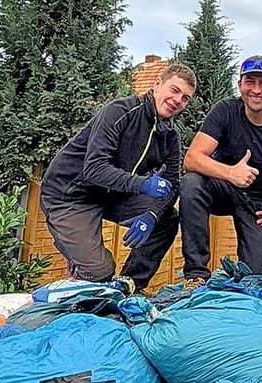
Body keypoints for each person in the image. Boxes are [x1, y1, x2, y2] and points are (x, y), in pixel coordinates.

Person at [40, 64, 197, 291]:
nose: (177, 100)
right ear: (156, 85)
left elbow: (172, 184)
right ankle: (75, 285)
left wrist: (151, 215)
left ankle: (129, 285)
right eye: (174, 90)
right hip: (70, 194)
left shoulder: (170, 136)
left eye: (185, 98)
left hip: (111, 196)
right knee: (98, 273)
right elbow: (94, 169)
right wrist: (142, 184)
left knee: (167, 219)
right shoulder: (119, 111)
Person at [179, 55, 262, 287]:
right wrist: (231, 173)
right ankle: (196, 275)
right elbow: (191, 159)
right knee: (191, 183)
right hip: (222, 188)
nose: (256, 90)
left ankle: (252, 275)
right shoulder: (224, 111)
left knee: (256, 279)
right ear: (240, 85)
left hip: (260, 204)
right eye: (250, 82)